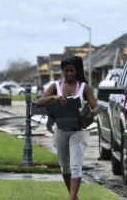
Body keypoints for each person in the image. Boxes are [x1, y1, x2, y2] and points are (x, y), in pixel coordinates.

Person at [36, 56, 99, 200]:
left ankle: (71, 198)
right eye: (66, 71)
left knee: (76, 164)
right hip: (60, 131)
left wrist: (92, 112)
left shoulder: (84, 87)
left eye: (72, 70)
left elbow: (96, 106)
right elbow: (39, 102)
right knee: (65, 167)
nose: (69, 74)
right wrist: (53, 97)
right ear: (62, 71)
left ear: (77, 70)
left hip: (79, 131)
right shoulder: (55, 86)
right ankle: (74, 197)